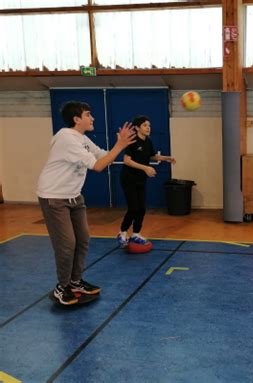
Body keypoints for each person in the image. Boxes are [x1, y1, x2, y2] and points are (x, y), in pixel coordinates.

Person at [37, 101, 136, 305]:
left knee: (82, 240)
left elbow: (102, 155)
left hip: (74, 197)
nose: (92, 118)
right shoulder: (66, 137)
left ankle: (75, 281)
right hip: (54, 197)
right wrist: (120, 145)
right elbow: (99, 166)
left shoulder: (81, 139)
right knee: (67, 245)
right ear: (76, 119)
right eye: (88, 115)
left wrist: (122, 148)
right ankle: (62, 287)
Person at [117, 115, 176, 248]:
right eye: (145, 125)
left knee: (141, 209)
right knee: (133, 208)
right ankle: (122, 232)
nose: (148, 127)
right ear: (137, 128)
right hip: (128, 178)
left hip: (140, 179)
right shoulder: (132, 141)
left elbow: (152, 156)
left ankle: (136, 234)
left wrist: (167, 158)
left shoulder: (148, 141)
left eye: (149, 125)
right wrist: (145, 168)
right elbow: (127, 160)